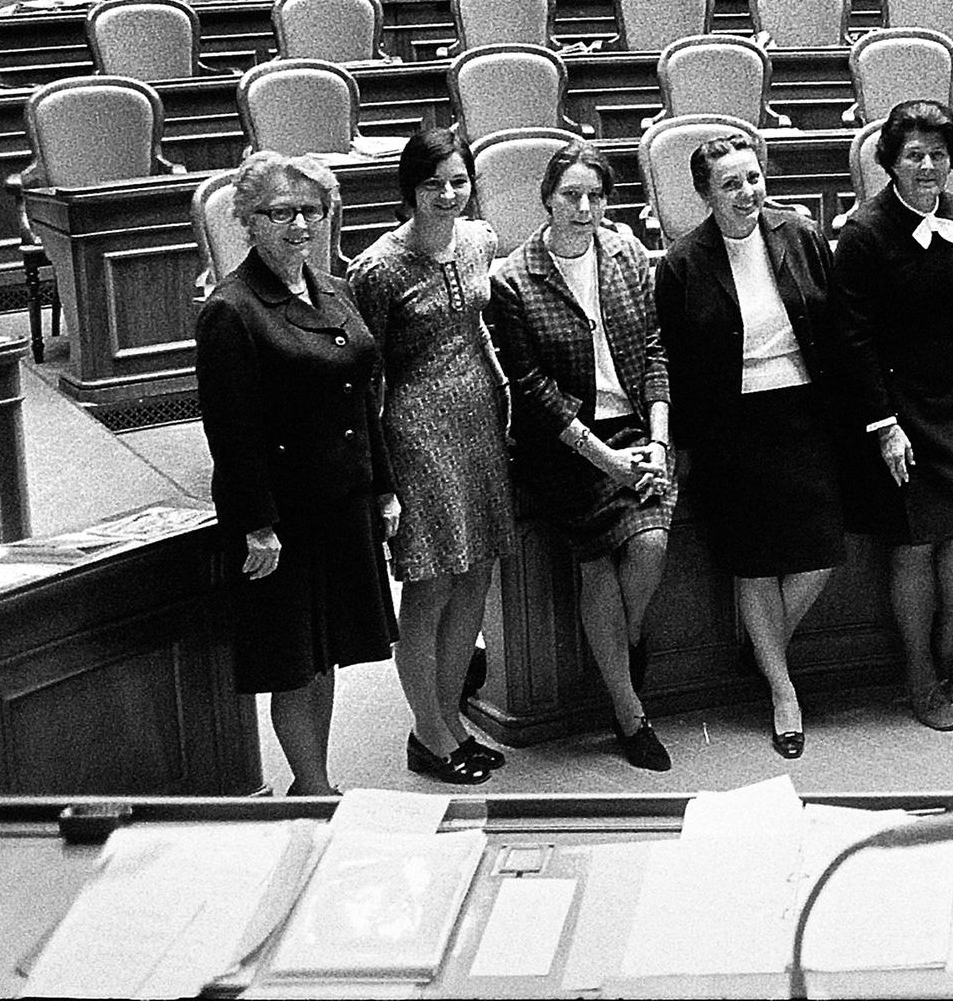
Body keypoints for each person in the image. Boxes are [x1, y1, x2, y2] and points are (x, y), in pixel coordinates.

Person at [196, 151, 398, 798]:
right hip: (286, 514)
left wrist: (386, 485)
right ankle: (312, 789)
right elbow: (233, 433)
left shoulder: (332, 287)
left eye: (312, 209)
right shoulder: (233, 309)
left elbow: (366, 399)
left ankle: (318, 782)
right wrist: (257, 525)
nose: (299, 224)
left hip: (345, 501)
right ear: (247, 221)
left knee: (328, 650)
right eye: (280, 212)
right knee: (293, 661)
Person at [653, 125, 848, 760]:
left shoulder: (799, 235)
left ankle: (762, 649)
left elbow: (833, 324)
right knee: (755, 561)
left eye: (753, 178)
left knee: (820, 550)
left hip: (805, 411)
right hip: (732, 427)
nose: (746, 193)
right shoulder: (683, 263)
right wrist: (683, 445)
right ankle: (783, 690)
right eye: (730, 184)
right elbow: (676, 363)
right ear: (704, 194)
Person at [486, 143, 677, 772]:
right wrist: (607, 461)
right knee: (598, 564)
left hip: (638, 432)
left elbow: (654, 349)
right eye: (571, 195)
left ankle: (628, 635)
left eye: (595, 195)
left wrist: (658, 436)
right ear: (546, 199)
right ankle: (629, 712)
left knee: (649, 545)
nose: (585, 207)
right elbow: (533, 390)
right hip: (567, 447)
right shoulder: (514, 278)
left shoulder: (627, 253)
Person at [832, 101, 953, 732]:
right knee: (914, 546)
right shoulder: (862, 234)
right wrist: (883, 425)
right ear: (889, 162)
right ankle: (917, 673)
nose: (929, 166)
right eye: (914, 155)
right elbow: (852, 342)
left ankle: (949, 654)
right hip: (899, 407)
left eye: (939, 154)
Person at [347, 127, 516, 788]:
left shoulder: (479, 240)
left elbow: (481, 326)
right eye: (433, 184)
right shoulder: (379, 267)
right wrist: (378, 475)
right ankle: (426, 731)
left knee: (475, 573)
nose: (447, 194)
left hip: (479, 421)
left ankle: (448, 717)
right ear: (408, 190)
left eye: (458, 180)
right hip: (416, 429)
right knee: (431, 580)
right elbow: (366, 375)